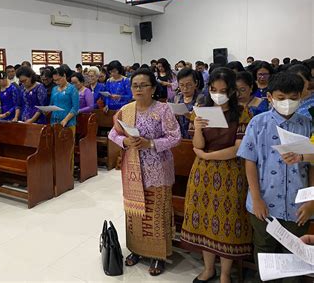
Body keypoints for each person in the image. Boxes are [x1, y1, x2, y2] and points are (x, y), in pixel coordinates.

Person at [237, 72, 313, 283]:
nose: (286, 103)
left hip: (298, 206)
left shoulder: (307, 125)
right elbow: (249, 160)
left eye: (292, 97)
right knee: (264, 250)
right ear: (270, 97)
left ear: (301, 96)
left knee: (295, 252)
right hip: (264, 203)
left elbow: (312, 166)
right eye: (280, 98)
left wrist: (311, 201)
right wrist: (257, 199)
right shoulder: (258, 123)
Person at [181, 67, 252, 283]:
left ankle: (224, 275)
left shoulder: (242, 113)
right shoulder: (201, 109)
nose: (218, 94)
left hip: (231, 173)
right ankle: (209, 269)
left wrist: (208, 156)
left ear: (231, 90)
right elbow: (197, 145)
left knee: (227, 223)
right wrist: (199, 129)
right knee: (204, 220)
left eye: (223, 90)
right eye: (213, 89)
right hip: (202, 175)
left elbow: (238, 149)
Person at [108, 68, 181, 276]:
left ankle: (159, 256)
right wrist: (124, 141)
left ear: (153, 88)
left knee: (157, 212)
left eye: (143, 85)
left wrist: (150, 144)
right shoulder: (126, 109)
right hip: (133, 170)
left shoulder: (163, 110)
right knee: (135, 213)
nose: (138, 89)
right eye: (135, 85)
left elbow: (175, 137)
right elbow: (114, 133)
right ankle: (137, 250)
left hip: (158, 169)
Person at [173, 69, 201, 139]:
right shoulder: (176, 98)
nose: (185, 88)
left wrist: (192, 117)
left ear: (196, 83)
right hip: (179, 138)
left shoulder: (202, 99)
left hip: (196, 138)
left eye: (189, 85)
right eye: (181, 85)